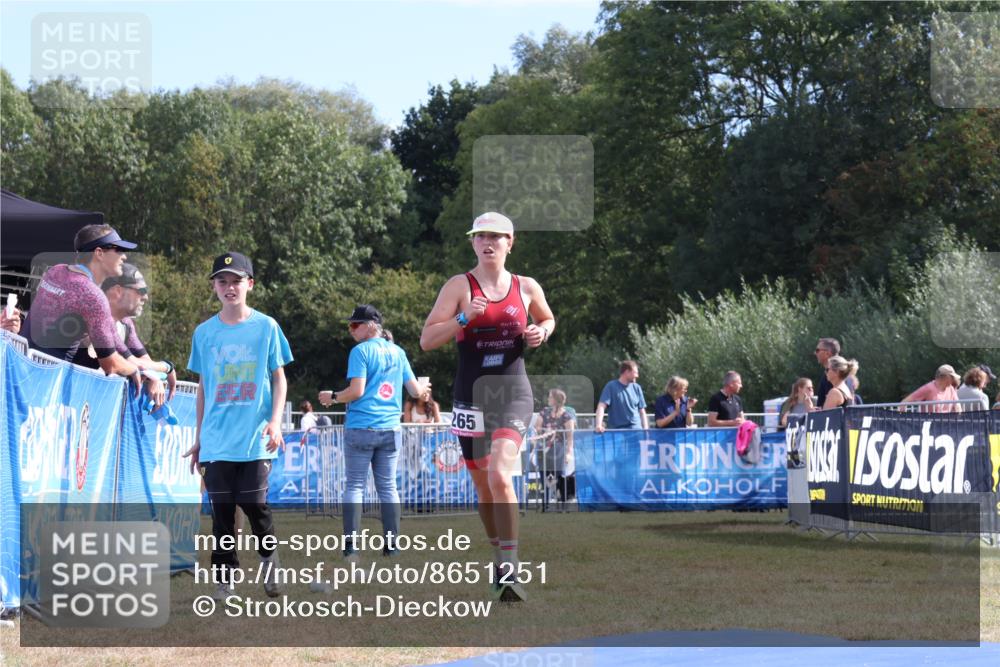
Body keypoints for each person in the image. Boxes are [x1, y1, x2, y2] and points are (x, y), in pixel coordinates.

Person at [420, 211, 555, 603]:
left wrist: (541, 332)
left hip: (513, 394)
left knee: (500, 474)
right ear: (473, 243)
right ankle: (499, 556)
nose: (487, 243)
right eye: (480, 236)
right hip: (470, 397)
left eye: (496, 236)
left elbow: (548, 318)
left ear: (510, 242)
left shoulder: (526, 286)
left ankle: (511, 568)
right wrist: (464, 318)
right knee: (482, 486)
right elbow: (427, 340)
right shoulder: (459, 286)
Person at [183, 251, 293, 601]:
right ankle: (225, 582)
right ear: (214, 286)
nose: (229, 287)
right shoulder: (204, 333)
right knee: (222, 514)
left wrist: (275, 422)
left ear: (250, 284)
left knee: (255, 504)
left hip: (255, 438)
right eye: (222, 281)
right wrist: (199, 438)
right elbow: (203, 387)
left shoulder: (266, 327)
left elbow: (279, 378)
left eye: (236, 281)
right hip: (216, 440)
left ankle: (270, 563)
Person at [315, 305, 427, 574]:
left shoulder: (360, 352)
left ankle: (351, 548)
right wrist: (425, 388)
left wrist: (332, 397)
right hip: (390, 429)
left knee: (355, 486)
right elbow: (415, 391)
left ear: (371, 326)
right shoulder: (398, 352)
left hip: (361, 427)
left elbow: (357, 391)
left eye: (355, 325)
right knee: (388, 488)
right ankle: (392, 547)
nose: (351, 330)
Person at [23, 224, 163, 403]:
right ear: (99, 253)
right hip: (44, 389)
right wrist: (134, 370)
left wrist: (159, 368)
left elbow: (116, 342)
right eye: (118, 250)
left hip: (19, 370)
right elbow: (110, 364)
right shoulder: (92, 295)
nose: (124, 256)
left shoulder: (56, 271)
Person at [100, 263, 177, 400]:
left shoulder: (126, 324)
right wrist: (168, 367)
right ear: (118, 291)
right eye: (141, 290)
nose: (145, 297)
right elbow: (137, 363)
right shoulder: (100, 319)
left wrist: (154, 376)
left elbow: (145, 361)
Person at [530, 388, 575, 501]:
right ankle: (545, 501)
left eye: (550, 397)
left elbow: (570, 438)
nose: (548, 399)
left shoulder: (567, 416)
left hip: (559, 450)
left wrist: (569, 453)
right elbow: (537, 428)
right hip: (544, 448)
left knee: (559, 474)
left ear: (556, 399)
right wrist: (544, 432)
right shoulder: (544, 412)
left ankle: (562, 498)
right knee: (543, 472)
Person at [595, 361, 648, 433]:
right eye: (635, 373)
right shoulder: (611, 386)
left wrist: (646, 430)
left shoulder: (637, 388)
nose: (637, 376)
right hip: (617, 432)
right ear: (627, 372)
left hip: (636, 431)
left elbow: (642, 412)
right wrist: (598, 425)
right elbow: (601, 406)